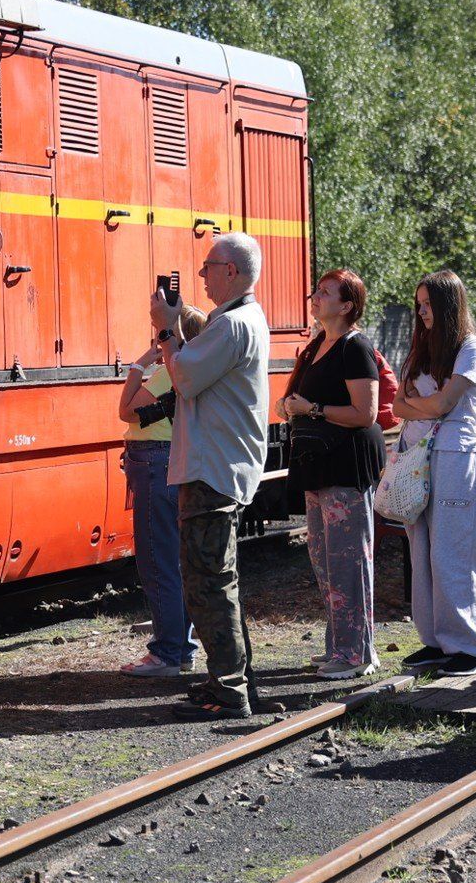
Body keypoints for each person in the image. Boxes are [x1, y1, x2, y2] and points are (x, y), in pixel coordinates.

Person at [152, 231, 271, 720]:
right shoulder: (238, 320)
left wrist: (167, 330)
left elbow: (184, 377)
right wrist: (180, 326)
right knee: (218, 580)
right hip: (219, 465)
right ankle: (233, 680)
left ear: (232, 272)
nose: (201, 274)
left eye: (209, 266)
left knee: (208, 584)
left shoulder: (233, 325)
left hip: (213, 469)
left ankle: (229, 690)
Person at [278, 268, 386, 679]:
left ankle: (355, 655)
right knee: (325, 559)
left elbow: (365, 414)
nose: (316, 296)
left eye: (325, 292)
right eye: (317, 290)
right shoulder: (316, 346)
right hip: (317, 464)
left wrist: (313, 410)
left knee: (348, 561)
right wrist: (289, 407)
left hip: (346, 464)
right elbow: (300, 399)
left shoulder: (355, 347)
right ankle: (344, 646)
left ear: (346, 306)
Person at [392, 270, 476, 674]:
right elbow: (398, 406)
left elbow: (443, 405)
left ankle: (467, 646)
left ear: (448, 305)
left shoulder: (470, 348)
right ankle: (434, 640)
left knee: (453, 549)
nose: (421, 312)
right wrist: (429, 405)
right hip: (416, 456)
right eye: (418, 304)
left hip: (454, 456)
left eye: (428, 304)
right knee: (421, 549)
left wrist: (424, 404)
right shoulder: (421, 350)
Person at [116, 304, 209, 678]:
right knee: (175, 561)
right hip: (168, 461)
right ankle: (180, 648)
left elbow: (126, 410)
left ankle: (167, 653)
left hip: (155, 464)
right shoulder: (186, 371)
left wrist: (139, 364)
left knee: (158, 562)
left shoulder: (166, 374)